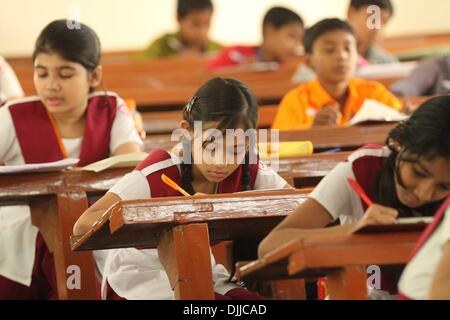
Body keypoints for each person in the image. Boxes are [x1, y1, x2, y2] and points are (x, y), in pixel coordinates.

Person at [73, 77, 291, 300]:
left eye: (235, 150)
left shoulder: (248, 165)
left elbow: (292, 204)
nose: (221, 162)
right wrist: (169, 213)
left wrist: (230, 207)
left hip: (199, 268)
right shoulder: (160, 170)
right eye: (210, 147)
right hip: (139, 279)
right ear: (187, 132)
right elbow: (83, 224)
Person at [0, 19, 142, 299]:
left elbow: (131, 164)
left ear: (94, 76)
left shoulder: (110, 108)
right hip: (22, 238)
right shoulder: (14, 115)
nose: (51, 86)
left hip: (94, 232)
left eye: (65, 74)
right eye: (42, 74)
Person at [260, 95, 450, 299]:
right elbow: (269, 246)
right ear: (399, 142)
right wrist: (354, 230)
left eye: (444, 186)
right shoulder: (362, 168)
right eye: (418, 173)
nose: (424, 193)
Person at [272, 18, 401, 131]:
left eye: (347, 48)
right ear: (309, 62)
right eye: (329, 50)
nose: (341, 56)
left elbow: (401, 120)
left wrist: (406, 115)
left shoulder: (373, 93)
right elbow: (277, 144)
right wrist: (312, 129)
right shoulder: (296, 100)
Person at [207, 7, 303, 69]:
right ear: (269, 30)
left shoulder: (292, 66)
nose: (297, 46)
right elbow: (207, 78)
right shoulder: (235, 54)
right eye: (292, 37)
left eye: (300, 40)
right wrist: (238, 72)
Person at [137, 0, 222, 59]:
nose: (202, 31)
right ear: (179, 18)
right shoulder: (162, 45)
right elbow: (137, 65)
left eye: (207, 23)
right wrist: (176, 62)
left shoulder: (218, 50)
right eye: (195, 24)